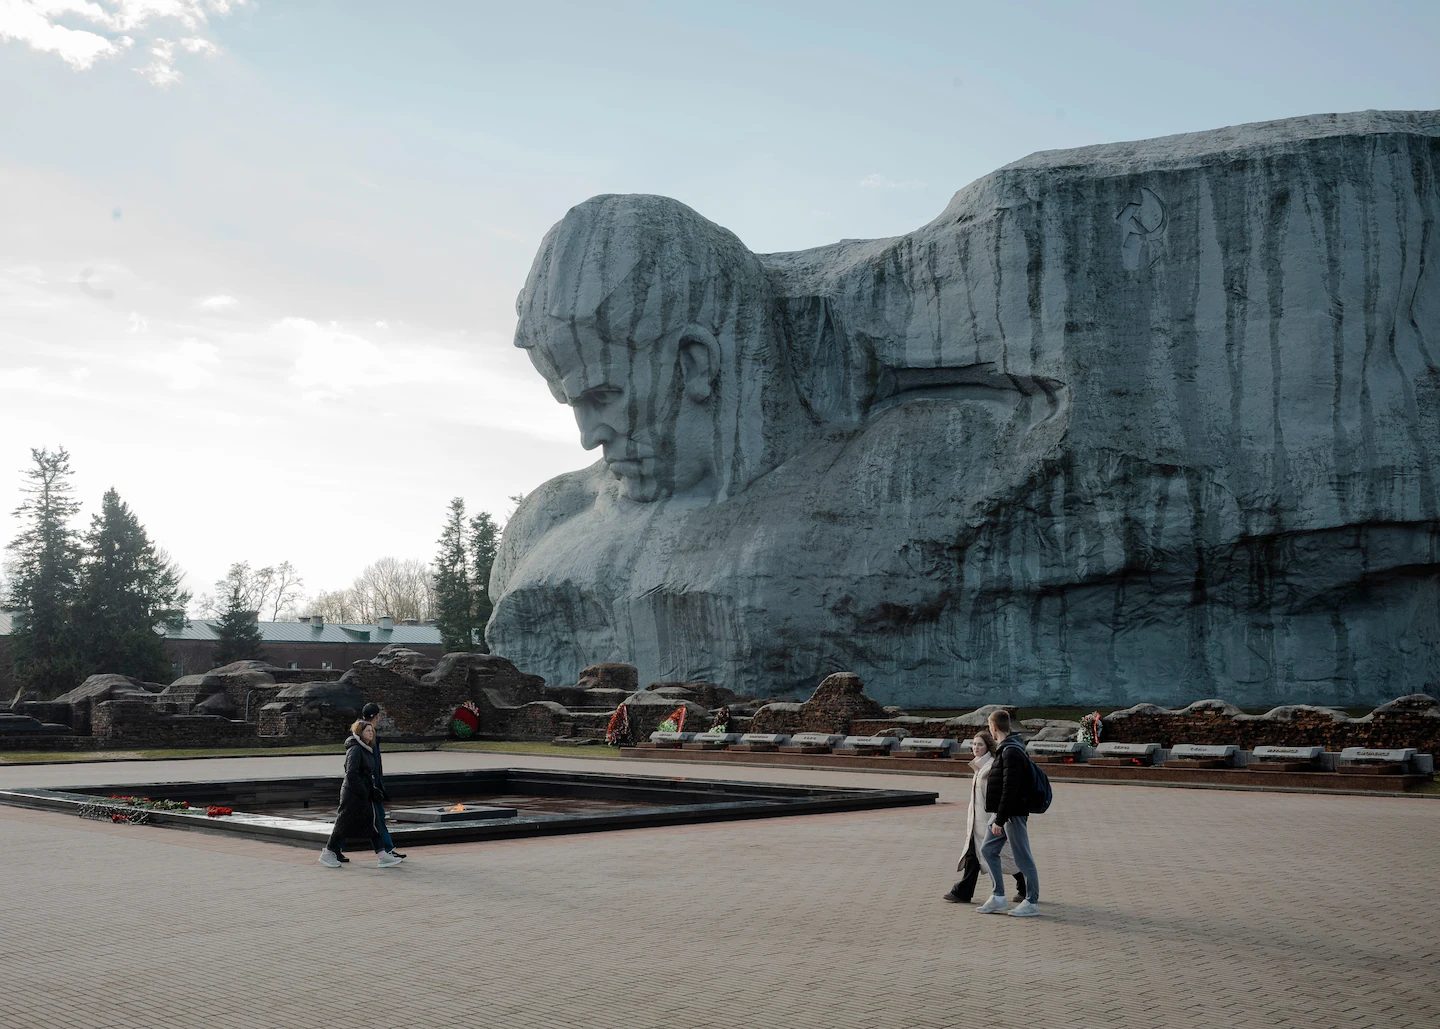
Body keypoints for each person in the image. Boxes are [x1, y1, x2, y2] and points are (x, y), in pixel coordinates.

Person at [943, 730, 1026, 904]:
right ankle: (963, 891)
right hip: (977, 822)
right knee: (973, 855)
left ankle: (1024, 885)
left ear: (988, 747)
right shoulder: (979, 766)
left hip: (989, 821)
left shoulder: (990, 767)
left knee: (1006, 855)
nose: (976, 747)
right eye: (974, 744)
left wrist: (998, 819)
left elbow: (997, 795)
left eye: (980, 744)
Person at [977, 710, 1040, 916]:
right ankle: (998, 897)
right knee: (988, 850)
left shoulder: (1011, 752)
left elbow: (1010, 789)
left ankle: (1031, 902)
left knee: (1022, 857)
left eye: (989, 725)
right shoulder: (1006, 749)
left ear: (993, 727)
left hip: (1013, 814)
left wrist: (1000, 819)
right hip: (1002, 813)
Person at [318, 720, 402, 868]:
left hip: (363, 792)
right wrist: (363, 791)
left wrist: (372, 789)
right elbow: (351, 773)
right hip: (352, 794)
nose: (371, 733)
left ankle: (382, 855)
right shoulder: (355, 749)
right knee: (343, 822)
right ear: (360, 733)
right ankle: (328, 852)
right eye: (367, 730)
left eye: (372, 730)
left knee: (373, 822)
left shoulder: (367, 748)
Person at [361, 702, 405, 860]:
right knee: (376, 817)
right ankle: (386, 850)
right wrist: (374, 783)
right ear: (377, 716)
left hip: (368, 785)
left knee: (375, 817)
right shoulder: (367, 734)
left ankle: (387, 849)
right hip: (368, 785)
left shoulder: (363, 732)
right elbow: (368, 762)